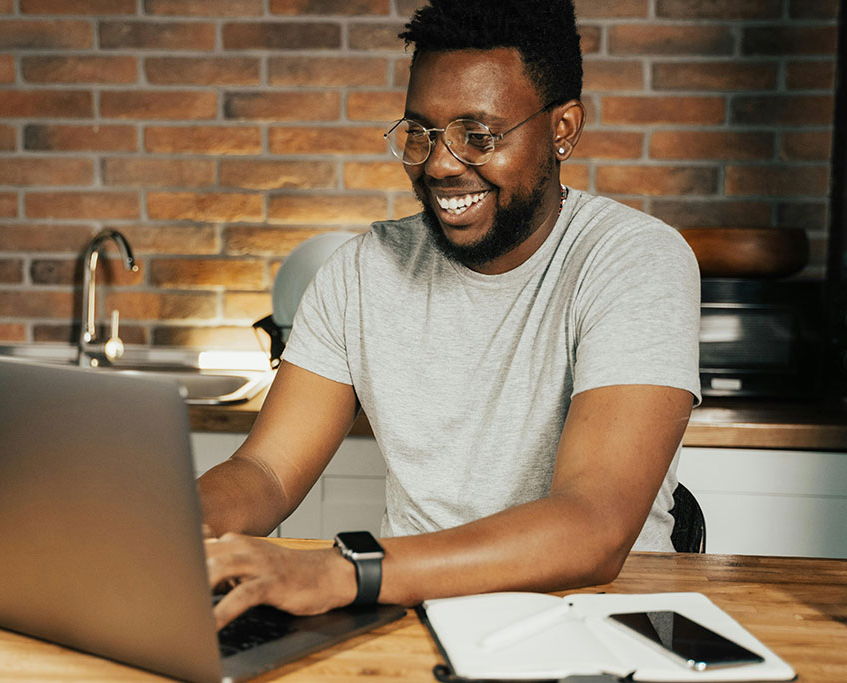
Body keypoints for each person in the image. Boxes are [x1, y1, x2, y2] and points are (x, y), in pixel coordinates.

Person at [198, 0, 700, 629]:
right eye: (422, 133)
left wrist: (343, 571)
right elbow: (265, 471)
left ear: (563, 128)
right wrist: (178, 529)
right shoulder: (361, 271)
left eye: (478, 135)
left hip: (593, 624)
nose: (438, 164)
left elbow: (591, 528)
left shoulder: (634, 260)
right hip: (407, 614)